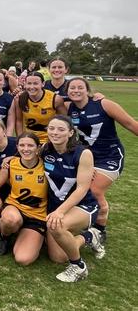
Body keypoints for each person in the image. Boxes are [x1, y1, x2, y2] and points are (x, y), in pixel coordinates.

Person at [66, 77, 138, 243]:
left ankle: (100, 229)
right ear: (67, 92)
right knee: (77, 188)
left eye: (80, 87)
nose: (76, 91)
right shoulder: (69, 107)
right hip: (87, 158)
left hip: (110, 156)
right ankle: (84, 219)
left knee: (94, 190)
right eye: (72, 88)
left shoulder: (104, 104)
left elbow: (130, 124)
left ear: (87, 90)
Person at [42, 116, 105, 282]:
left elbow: (82, 189)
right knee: (58, 257)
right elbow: (24, 154)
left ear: (71, 132)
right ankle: (90, 237)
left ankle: (78, 267)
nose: (55, 132)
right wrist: (7, 161)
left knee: (56, 225)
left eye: (61, 129)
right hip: (56, 205)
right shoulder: (45, 149)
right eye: (51, 128)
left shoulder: (83, 153)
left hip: (83, 205)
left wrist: (59, 212)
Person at [0, 133, 47, 264]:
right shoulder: (11, 164)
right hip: (15, 207)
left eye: (30, 145)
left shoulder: (47, 166)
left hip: (37, 216)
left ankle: (30, 236)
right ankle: (5, 237)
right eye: (22, 145)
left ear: (38, 148)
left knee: (23, 259)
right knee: (10, 220)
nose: (26, 149)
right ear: (17, 147)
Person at [14, 72, 66, 144]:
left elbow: (65, 120)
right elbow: (19, 121)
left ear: (43, 84)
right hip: (30, 139)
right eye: (29, 83)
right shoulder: (20, 99)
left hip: (50, 139)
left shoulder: (55, 99)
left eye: (35, 83)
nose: (32, 87)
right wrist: (20, 139)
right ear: (25, 84)